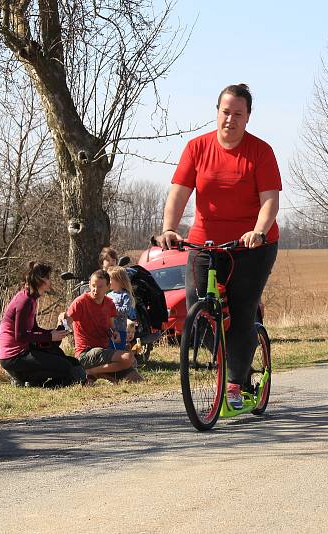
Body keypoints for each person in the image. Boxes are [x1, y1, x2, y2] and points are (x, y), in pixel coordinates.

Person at [156, 83, 281, 410]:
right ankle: (221, 355)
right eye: (225, 112)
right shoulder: (197, 148)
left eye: (238, 114)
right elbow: (179, 193)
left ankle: (236, 382)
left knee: (241, 312)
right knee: (199, 307)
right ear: (217, 113)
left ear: (248, 117)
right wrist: (170, 227)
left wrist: (258, 230)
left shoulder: (260, 152)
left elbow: (270, 201)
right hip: (205, 242)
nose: (230, 119)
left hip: (251, 246)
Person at [0, 261, 87, 387]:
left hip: (24, 351)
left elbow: (34, 329)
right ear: (40, 280)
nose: (50, 281)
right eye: (48, 278)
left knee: (70, 362)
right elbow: (21, 335)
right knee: (65, 367)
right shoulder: (24, 302)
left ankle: (33, 380)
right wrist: (50, 336)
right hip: (14, 356)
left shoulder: (31, 299)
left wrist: (55, 332)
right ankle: (24, 379)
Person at [64, 269, 142, 383]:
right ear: (89, 284)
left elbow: (111, 327)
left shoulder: (109, 303)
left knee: (136, 379)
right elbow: (66, 321)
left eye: (100, 286)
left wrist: (115, 333)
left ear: (108, 286)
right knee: (128, 358)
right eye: (93, 285)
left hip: (104, 352)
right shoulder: (80, 302)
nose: (95, 290)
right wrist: (63, 321)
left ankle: (96, 373)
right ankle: (90, 372)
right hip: (85, 353)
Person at [106, 266, 137, 350]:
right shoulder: (108, 295)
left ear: (118, 281)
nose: (108, 282)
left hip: (120, 329)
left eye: (110, 279)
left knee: (119, 351)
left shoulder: (125, 295)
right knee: (109, 351)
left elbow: (126, 310)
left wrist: (113, 309)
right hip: (109, 330)